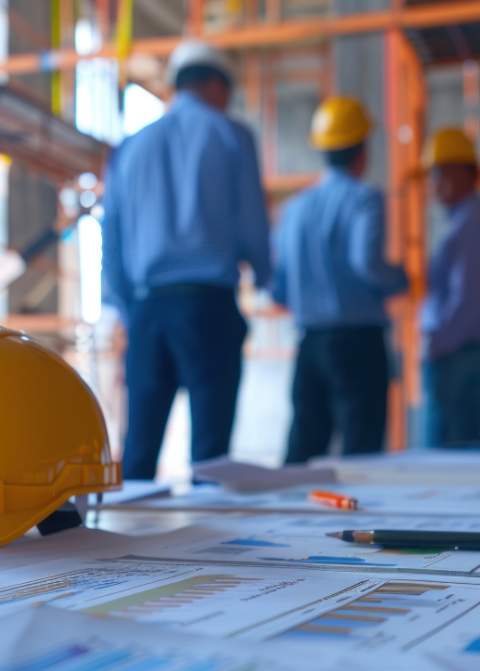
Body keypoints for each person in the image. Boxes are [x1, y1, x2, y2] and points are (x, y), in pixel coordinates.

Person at [101, 41, 271, 480]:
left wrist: (127, 309)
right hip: (208, 307)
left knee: (138, 452)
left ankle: (120, 545)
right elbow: (253, 224)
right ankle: (204, 549)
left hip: (148, 308)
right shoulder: (231, 135)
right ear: (217, 83)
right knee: (210, 461)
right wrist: (270, 278)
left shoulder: (131, 148)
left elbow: (112, 240)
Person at [272, 96, 408, 463]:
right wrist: (401, 279)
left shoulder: (293, 209)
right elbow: (367, 263)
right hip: (358, 344)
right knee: (361, 453)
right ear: (362, 150)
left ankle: (289, 520)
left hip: (310, 344)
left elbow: (279, 288)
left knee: (303, 450)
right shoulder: (365, 199)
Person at [420, 127, 480, 448]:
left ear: (467, 173)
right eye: (433, 174)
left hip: (461, 358)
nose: (435, 182)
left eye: (443, 172)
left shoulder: (474, 224)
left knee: (450, 459)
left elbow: (469, 300)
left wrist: (438, 344)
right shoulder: (467, 221)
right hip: (463, 355)